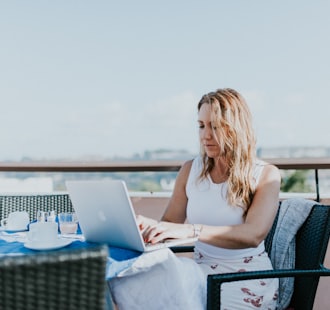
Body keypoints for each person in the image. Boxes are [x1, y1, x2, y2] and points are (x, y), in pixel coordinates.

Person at [111, 88, 280, 309]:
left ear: (236, 129)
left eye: (215, 126)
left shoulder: (265, 174)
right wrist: (150, 228)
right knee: (133, 284)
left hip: (245, 281)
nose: (205, 135)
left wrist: (193, 231)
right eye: (201, 126)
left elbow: (253, 235)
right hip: (200, 274)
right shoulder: (190, 170)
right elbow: (171, 223)